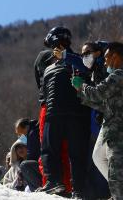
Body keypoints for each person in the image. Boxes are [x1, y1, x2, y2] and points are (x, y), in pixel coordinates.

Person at [38, 27, 91, 198]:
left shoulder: (81, 59)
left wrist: (67, 56)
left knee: (74, 153)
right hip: (59, 113)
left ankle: (77, 190)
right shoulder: (47, 67)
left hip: (72, 113)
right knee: (51, 150)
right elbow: (43, 93)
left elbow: (88, 67)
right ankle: (56, 184)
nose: (52, 50)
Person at [72, 42, 123, 200]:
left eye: (107, 58)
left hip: (118, 132)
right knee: (99, 157)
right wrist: (81, 92)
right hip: (111, 128)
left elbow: (98, 93)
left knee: (115, 171)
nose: (105, 62)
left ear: (115, 57)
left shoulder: (119, 75)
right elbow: (101, 104)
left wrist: (82, 86)